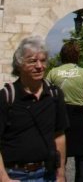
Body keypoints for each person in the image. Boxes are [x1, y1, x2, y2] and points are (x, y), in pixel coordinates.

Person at [0, 36, 68, 182]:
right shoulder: (6, 96)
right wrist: (3, 177)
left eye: (43, 61)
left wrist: (61, 174)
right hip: (15, 175)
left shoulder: (55, 94)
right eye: (32, 61)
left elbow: (59, 135)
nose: (39, 66)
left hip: (48, 174)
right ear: (19, 64)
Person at [46, 42, 83, 182]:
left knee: (59, 155)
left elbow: (46, 96)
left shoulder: (53, 73)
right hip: (78, 116)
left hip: (58, 116)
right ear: (77, 56)